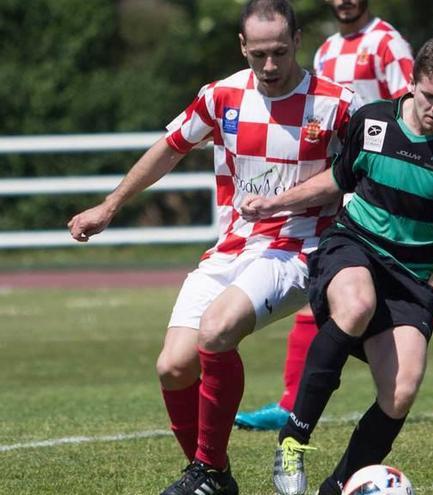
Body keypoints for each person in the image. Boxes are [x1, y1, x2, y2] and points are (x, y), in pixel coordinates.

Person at [67, 1, 358, 493]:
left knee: (218, 329)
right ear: (242, 46)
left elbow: (359, 170)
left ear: (299, 41)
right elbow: (170, 147)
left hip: (298, 248)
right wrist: (111, 205)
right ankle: (216, 476)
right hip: (231, 248)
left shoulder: (336, 103)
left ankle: (202, 471)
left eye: (280, 53)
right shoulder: (221, 95)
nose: (269, 66)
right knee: (174, 365)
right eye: (259, 54)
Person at [240, 36, 433, 495]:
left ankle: (337, 488)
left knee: (401, 391)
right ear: (410, 83)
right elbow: (338, 179)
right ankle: (293, 440)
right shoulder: (372, 122)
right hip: (352, 247)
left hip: (411, 280)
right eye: (429, 96)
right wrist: (274, 205)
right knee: (358, 302)